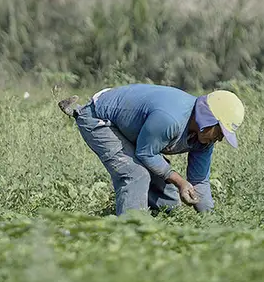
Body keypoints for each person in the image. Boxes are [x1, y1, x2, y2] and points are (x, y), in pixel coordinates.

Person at [57, 83, 245, 216]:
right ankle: (131, 236)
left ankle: (158, 231)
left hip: (132, 130)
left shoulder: (204, 140)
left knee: (169, 199)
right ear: (208, 120)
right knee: (136, 174)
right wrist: (180, 182)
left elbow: (199, 182)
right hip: (99, 119)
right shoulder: (170, 119)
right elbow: (145, 154)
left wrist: (212, 223)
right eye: (220, 132)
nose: (219, 139)